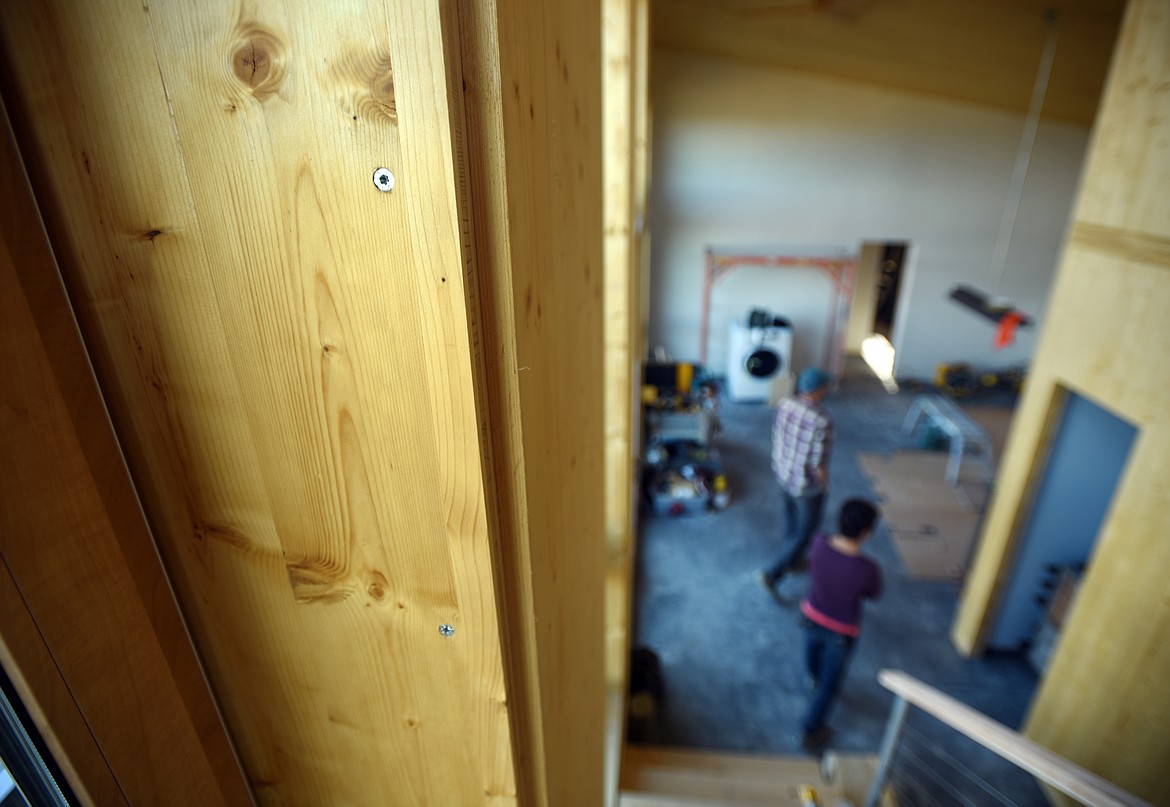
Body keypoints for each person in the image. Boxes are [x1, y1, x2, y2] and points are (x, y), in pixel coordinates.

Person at [798, 498, 883, 751]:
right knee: (830, 685)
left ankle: (811, 676)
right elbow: (873, 594)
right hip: (841, 633)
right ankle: (810, 731)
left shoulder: (819, 543)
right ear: (867, 532)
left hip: (811, 617)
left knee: (811, 652)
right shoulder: (867, 569)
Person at [759, 367, 833, 594]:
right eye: (825, 386)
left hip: (783, 474)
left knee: (791, 519)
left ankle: (792, 560)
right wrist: (824, 485)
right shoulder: (822, 420)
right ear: (819, 390)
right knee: (807, 531)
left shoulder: (785, 404)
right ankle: (773, 574)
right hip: (805, 485)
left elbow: (778, 436)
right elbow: (817, 463)